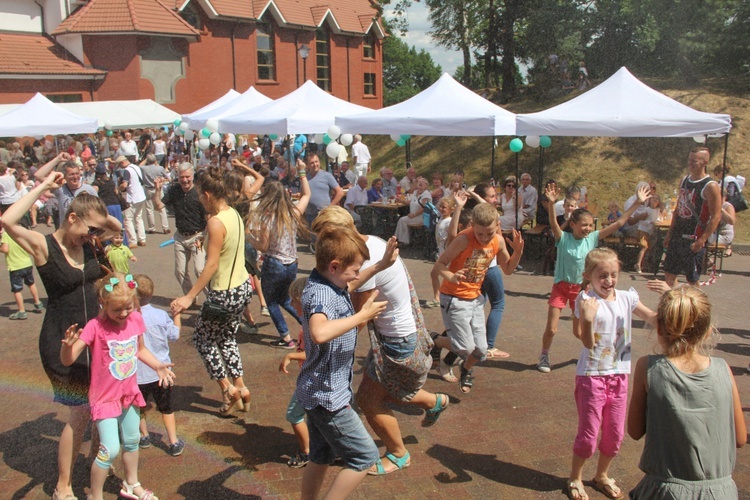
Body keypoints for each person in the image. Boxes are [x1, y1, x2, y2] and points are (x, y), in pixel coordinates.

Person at [1, 173, 121, 500]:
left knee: (102, 409)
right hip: (62, 341)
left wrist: (91, 203)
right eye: (88, 229)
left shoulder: (91, 241)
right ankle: (63, 485)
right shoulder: (44, 245)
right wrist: (45, 188)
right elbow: (8, 219)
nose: (94, 236)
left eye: (96, 231)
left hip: (96, 340)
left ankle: (100, 461)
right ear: (71, 218)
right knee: (80, 412)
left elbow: (116, 228)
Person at [311, 206, 449, 475]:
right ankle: (435, 402)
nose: (323, 249)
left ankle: (399, 454)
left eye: (326, 242)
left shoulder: (359, 260)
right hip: (398, 333)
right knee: (390, 390)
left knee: (369, 400)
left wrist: (326, 343)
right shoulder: (370, 242)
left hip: (398, 339)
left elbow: (358, 317)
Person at [60, 272, 175, 500]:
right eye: (117, 310)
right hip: (104, 399)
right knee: (110, 448)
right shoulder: (95, 326)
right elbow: (68, 359)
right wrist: (67, 346)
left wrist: (158, 366)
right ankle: (96, 494)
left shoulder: (135, 320)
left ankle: (132, 483)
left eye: (128, 308)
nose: (123, 314)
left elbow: (140, 349)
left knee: (132, 441)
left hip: (129, 394)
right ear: (103, 303)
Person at [628, 286, 746, 499]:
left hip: (666, 491)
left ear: (660, 329)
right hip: (720, 492)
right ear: (708, 330)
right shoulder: (723, 369)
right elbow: (740, 437)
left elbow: (635, 431)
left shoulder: (648, 367)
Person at [297, 226, 387, 499]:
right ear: (335, 266)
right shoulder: (321, 295)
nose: (358, 275)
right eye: (355, 268)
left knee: (321, 455)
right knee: (364, 456)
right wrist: (363, 315)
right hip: (327, 396)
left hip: (317, 390)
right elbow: (319, 332)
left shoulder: (328, 282)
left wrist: (382, 265)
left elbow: (351, 284)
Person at [565, 248, 657, 500]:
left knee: (615, 432)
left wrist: (672, 297)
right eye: (602, 276)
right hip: (591, 376)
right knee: (589, 433)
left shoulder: (627, 297)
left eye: (613, 275)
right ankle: (575, 476)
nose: (608, 281)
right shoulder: (586, 301)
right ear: (589, 276)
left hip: (620, 374)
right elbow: (586, 342)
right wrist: (586, 318)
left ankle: (602, 475)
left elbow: (653, 317)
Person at [537, 183, 649, 373]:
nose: (588, 228)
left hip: (581, 290)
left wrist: (637, 203)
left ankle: (597, 354)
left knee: (578, 331)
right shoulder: (563, 238)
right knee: (552, 328)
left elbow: (619, 223)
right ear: (573, 225)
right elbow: (554, 224)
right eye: (584, 225)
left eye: (590, 225)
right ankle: (544, 355)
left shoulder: (592, 238)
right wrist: (551, 204)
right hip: (561, 287)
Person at [170, 166, 253, 416]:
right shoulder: (233, 214)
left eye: (199, 196)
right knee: (226, 338)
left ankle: (228, 388)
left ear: (207, 194)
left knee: (203, 340)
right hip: (241, 288)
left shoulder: (216, 221)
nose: (198, 200)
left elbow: (212, 264)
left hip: (223, 293)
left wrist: (189, 296)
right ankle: (240, 385)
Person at [431, 203, 524, 393]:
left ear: (497, 225)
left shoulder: (497, 241)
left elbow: (507, 269)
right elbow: (439, 265)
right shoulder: (463, 240)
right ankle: (434, 339)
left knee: (481, 351)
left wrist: (518, 252)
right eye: (480, 233)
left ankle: (464, 370)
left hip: (475, 298)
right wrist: (451, 276)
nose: (484, 238)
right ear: (472, 225)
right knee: (465, 348)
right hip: (454, 297)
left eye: (488, 233)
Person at [246, 159, 311, 349]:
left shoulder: (268, 217)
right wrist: (302, 172)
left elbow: (264, 246)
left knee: (272, 302)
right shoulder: (293, 213)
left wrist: (250, 238)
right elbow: (307, 194)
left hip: (274, 264)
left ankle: (286, 338)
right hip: (292, 263)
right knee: (286, 299)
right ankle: (307, 326)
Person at [133, 274, 184, 457]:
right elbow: (175, 335)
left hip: (137, 373)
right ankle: (173, 441)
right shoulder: (160, 315)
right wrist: (176, 315)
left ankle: (144, 436)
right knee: (166, 407)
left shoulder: (129, 318)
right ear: (152, 293)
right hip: (162, 372)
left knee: (140, 406)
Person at [663, 147, 722, 287]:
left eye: (694, 161)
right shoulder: (684, 180)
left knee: (692, 278)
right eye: (689, 160)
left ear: (705, 162)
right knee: (669, 273)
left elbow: (716, 217)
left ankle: (698, 307)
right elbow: (678, 209)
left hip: (694, 236)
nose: (690, 163)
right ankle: (676, 304)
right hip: (678, 234)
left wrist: (702, 240)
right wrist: (669, 234)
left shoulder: (710, 186)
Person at [152, 163, 207, 300]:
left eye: (187, 177)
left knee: (200, 270)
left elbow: (209, 216)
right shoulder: (174, 190)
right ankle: (190, 298)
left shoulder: (200, 193)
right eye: (182, 177)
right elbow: (158, 206)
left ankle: (212, 299)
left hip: (198, 236)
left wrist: (207, 235)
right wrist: (157, 190)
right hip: (180, 236)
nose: (185, 180)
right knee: (179, 271)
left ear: (192, 176)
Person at [278, 277, 310, 468]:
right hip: (311, 378)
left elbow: (315, 353)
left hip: (310, 379)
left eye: (294, 300)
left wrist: (291, 356)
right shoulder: (310, 320)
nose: (290, 304)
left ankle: (306, 453)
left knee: (294, 415)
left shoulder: (312, 324)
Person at [34, 152, 99, 228]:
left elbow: (98, 210)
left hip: (85, 232)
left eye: (77, 173)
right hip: (66, 233)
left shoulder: (89, 190)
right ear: (65, 176)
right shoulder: (60, 189)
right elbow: (38, 175)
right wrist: (57, 159)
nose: (75, 177)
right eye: (71, 174)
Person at [0, 227, 44, 320]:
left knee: (17, 290)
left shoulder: (6, 235)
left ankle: (21, 311)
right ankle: (37, 302)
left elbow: (5, 249)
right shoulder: (20, 232)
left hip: (15, 266)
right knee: (31, 283)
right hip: (27, 263)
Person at [425, 196, 457, 309]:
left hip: (446, 254)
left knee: (445, 277)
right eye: (440, 206)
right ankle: (437, 298)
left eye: (444, 207)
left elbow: (452, 237)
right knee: (435, 274)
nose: (441, 209)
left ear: (452, 209)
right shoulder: (441, 219)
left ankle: (442, 298)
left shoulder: (449, 221)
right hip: (441, 252)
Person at [115, 155, 147, 248]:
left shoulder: (127, 170)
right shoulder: (136, 167)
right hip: (141, 195)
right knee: (138, 218)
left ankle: (133, 241)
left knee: (128, 219)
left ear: (122, 163)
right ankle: (142, 239)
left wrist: (118, 189)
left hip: (132, 197)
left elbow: (125, 185)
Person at [303, 154, 344, 227]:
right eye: (312, 163)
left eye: (316, 162)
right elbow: (302, 195)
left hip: (323, 214)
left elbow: (340, 192)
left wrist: (330, 207)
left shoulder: (326, 175)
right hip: (309, 215)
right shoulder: (305, 178)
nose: (315, 164)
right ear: (307, 165)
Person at [394, 177, 432, 246]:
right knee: (402, 220)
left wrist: (414, 214)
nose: (420, 182)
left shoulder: (426, 194)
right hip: (415, 216)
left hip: (423, 217)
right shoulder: (415, 192)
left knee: (402, 220)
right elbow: (412, 202)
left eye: (423, 182)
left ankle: (403, 241)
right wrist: (401, 201)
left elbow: (424, 208)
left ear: (426, 186)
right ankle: (399, 239)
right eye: (419, 182)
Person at [139, 154, 170, 235]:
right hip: (158, 188)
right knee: (161, 208)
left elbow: (139, 165)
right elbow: (168, 177)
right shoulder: (160, 168)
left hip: (148, 188)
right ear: (155, 160)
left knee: (149, 209)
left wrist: (145, 159)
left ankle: (152, 228)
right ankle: (165, 227)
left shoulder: (144, 168)